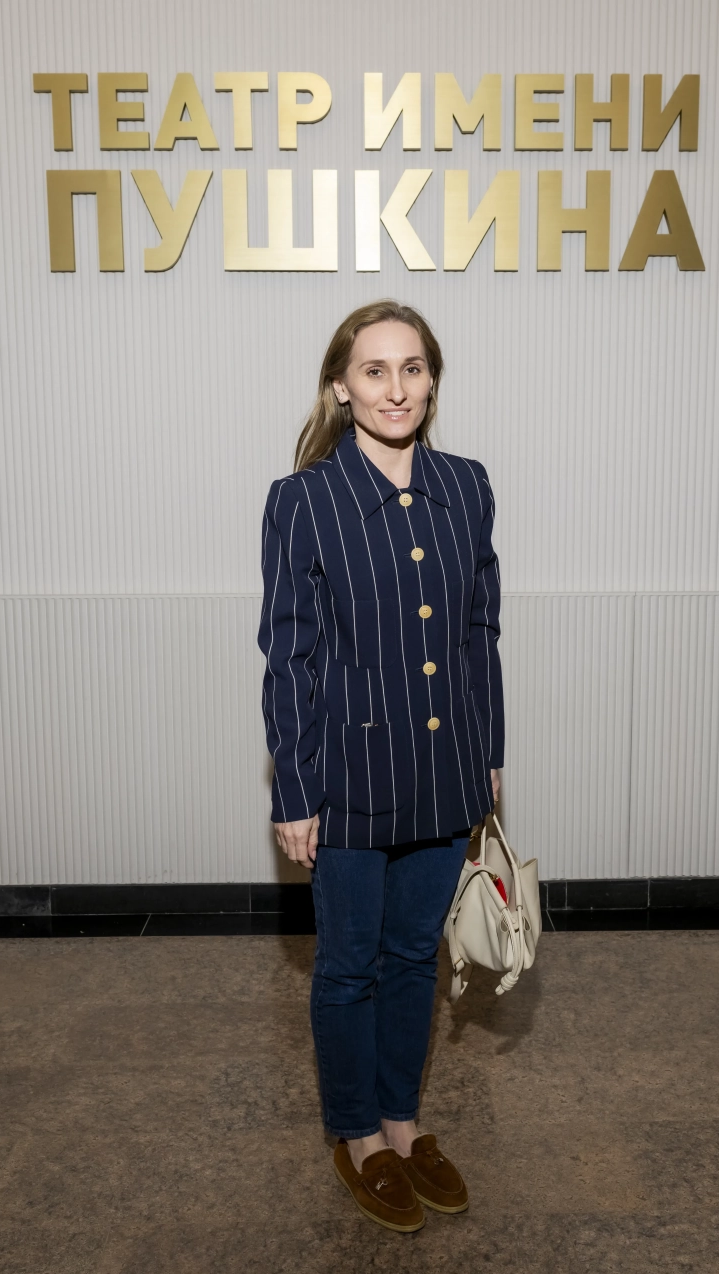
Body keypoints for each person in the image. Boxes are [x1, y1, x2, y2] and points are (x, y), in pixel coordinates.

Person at [257, 299, 504, 1233]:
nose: (395, 388)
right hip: (349, 781)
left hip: (445, 769)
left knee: (414, 957)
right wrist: (295, 791)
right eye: (374, 370)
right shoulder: (303, 501)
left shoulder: (467, 485)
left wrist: (488, 758)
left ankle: (404, 1124)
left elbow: (479, 633)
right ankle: (358, 1135)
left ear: (431, 380)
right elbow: (290, 657)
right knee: (349, 966)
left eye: (412, 368)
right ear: (340, 387)